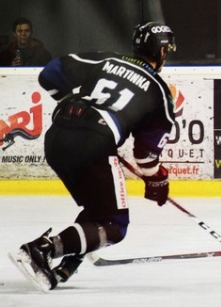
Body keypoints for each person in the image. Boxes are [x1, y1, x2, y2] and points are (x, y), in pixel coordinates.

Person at [7, 21, 177, 291]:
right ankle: (40, 250)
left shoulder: (105, 59)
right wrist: (157, 182)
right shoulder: (159, 93)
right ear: (162, 52)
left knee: (99, 209)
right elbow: (146, 158)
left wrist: (70, 104)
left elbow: (49, 74)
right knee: (114, 224)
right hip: (93, 144)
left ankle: (67, 264)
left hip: (56, 138)